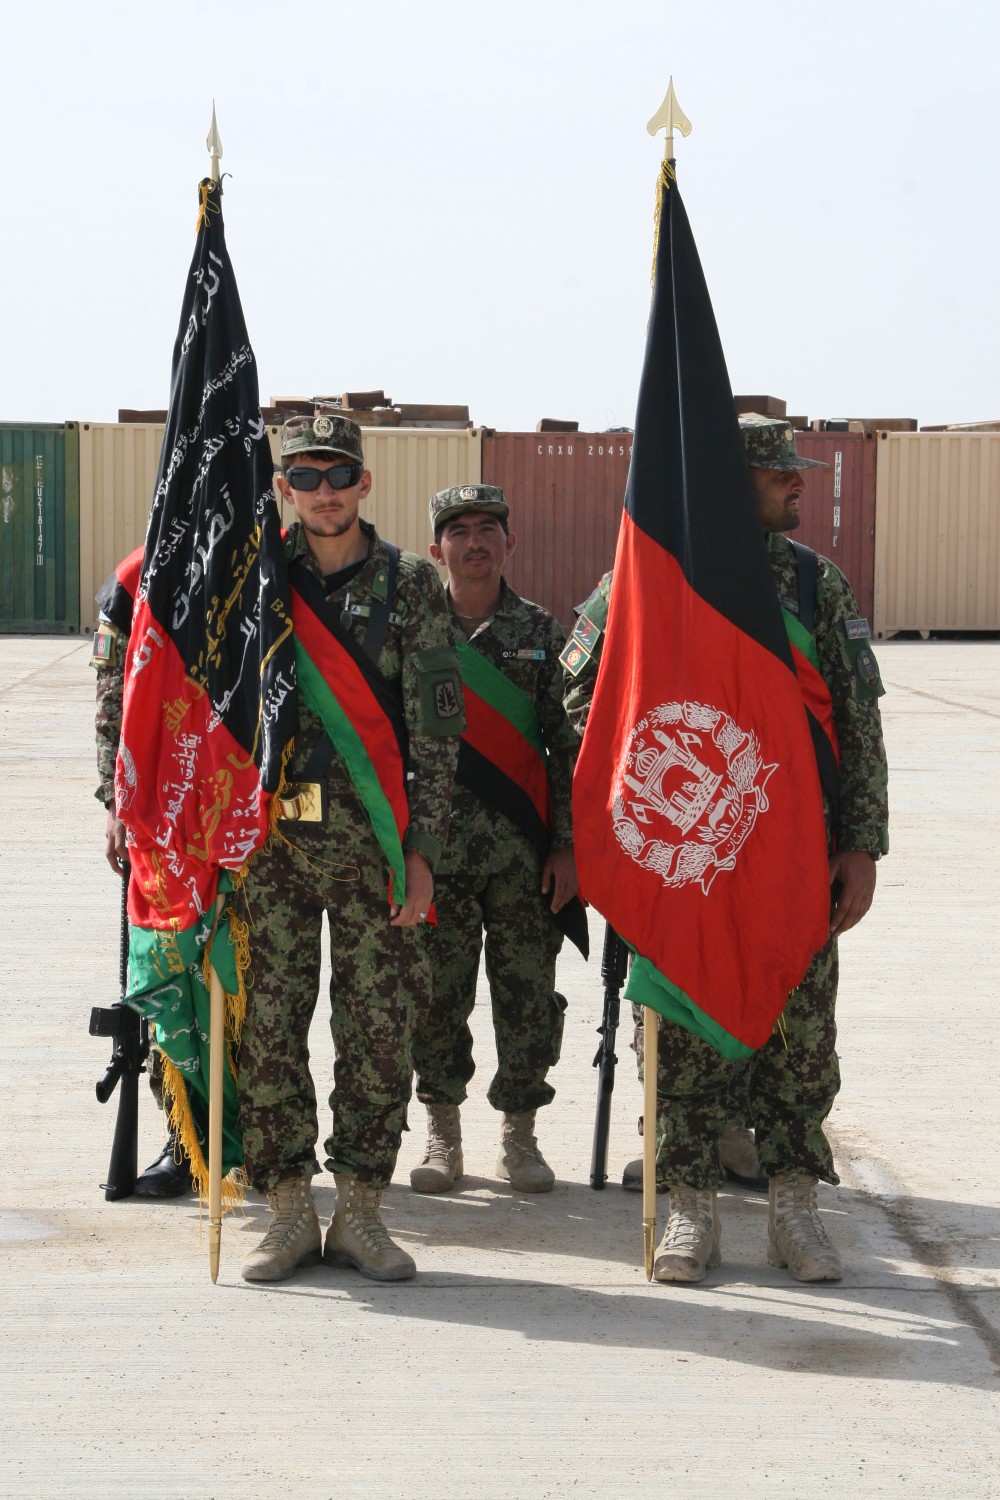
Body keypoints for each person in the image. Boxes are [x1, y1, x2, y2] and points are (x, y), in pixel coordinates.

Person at [645, 417, 888, 1284]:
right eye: (779, 473)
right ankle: (689, 1209)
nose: (797, 484)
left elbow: (859, 725)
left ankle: (794, 1207)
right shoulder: (659, 578)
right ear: (727, 482)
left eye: (796, 471)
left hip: (799, 855)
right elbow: (589, 705)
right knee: (686, 1030)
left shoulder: (817, 586)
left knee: (800, 1035)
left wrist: (862, 843)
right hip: (694, 854)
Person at [236, 415, 464, 1284]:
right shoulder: (255, 579)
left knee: (377, 1031)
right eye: (305, 476)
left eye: (339, 475)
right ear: (286, 488)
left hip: (373, 845)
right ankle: (288, 1209)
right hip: (272, 848)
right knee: (268, 1030)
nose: (324, 491)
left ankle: (361, 1209)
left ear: (366, 482)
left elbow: (437, 734)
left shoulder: (412, 584)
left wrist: (424, 851)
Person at [562, 572, 768, 1195]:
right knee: (661, 977)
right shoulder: (632, 573)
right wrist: (627, 756)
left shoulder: (778, 575)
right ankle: (667, 1134)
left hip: (751, 811)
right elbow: (577, 691)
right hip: (659, 830)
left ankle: (732, 1130)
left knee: (743, 970)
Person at [409, 484, 583, 1195]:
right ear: (436, 551)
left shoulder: (543, 634)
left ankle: (520, 1133)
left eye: (488, 528)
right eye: (459, 531)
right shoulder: (415, 631)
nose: (474, 542)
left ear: (510, 543)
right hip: (438, 858)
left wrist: (568, 846)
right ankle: (441, 1131)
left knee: (526, 997)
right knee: (436, 996)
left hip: (522, 858)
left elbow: (567, 746)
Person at [92, 547, 193, 1198]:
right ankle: (185, 1139)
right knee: (165, 985)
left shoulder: (259, 563)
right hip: (157, 824)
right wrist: (115, 803)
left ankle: (265, 1142)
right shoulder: (133, 581)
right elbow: (110, 701)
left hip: (240, 817)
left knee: (257, 991)